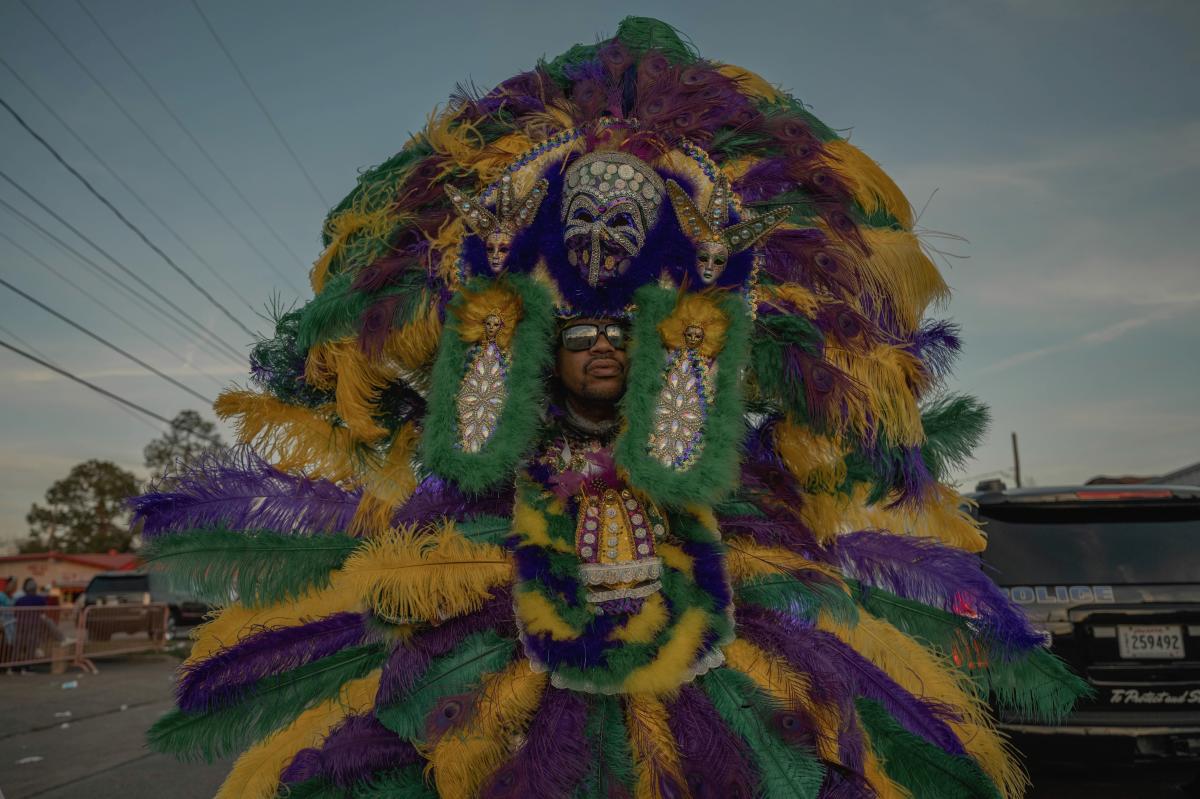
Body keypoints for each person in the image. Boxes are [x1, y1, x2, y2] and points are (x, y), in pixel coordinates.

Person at [134, 18, 1087, 799]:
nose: (600, 344)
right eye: (579, 329)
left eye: (622, 330)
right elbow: (417, 563)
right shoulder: (472, 489)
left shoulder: (741, 485)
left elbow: (811, 573)